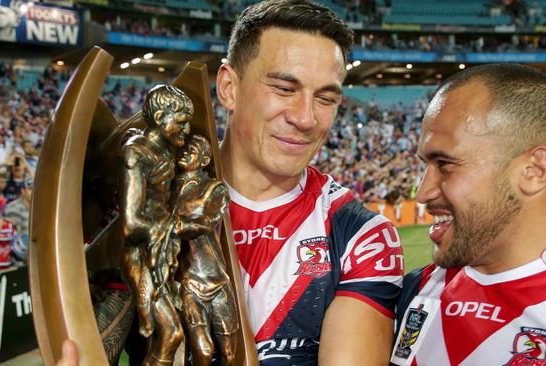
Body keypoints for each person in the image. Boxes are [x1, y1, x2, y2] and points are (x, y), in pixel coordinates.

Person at [391, 64, 546, 366]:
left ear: (534, 171)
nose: (423, 192)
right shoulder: (416, 291)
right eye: (425, 165)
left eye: (445, 163)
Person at [216, 1, 404, 364]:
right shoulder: (155, 206)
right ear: (228, 87)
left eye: (325, 98)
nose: (306, 119)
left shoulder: (361, 236)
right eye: (285, 88)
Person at [120, 84, 191, 365]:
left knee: (170, 335)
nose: (186, 132)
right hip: (142, 256)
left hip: (163, 253)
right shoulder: (135, 154)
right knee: (171, 333)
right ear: (162, 118)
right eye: (182, 124)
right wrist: (174, 225)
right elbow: (130, 223)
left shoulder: (168, 153)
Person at [172, 134, 237, 365]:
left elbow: (206, 222)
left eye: (192, 149)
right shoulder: (167, 188)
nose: (185, 152)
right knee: (202, 350)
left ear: (204, 158)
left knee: (228, 354)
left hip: (217, 279)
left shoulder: (214, 188)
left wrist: (173, 225)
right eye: (183, 148)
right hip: (189, 281)